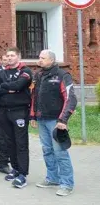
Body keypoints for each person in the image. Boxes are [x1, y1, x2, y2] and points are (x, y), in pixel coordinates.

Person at [31, 50, 77, 196]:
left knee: (60, 152)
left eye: (42, 58)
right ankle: (52, 178)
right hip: (42, 119)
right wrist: (33, 116)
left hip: (56, 121)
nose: (39, 60)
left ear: (51, 60)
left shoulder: (63, 75)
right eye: (39, 58)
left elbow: (71, 98)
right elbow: (34, 96)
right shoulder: (38, 75)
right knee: (47, 150)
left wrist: (63, 120)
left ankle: (67, 184)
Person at [0, 47, 33, 188]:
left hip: (19, 112)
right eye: (7, 56)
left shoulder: (25, 71)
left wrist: (6, 87)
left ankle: (23, 174)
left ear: (18, 57)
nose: (9, 58)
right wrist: (9, 88)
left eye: (12, 55)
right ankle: (15, 169)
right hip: (4, 112)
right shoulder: (2, 72)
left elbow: (20, 84)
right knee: (9, 142)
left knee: (21, 143)